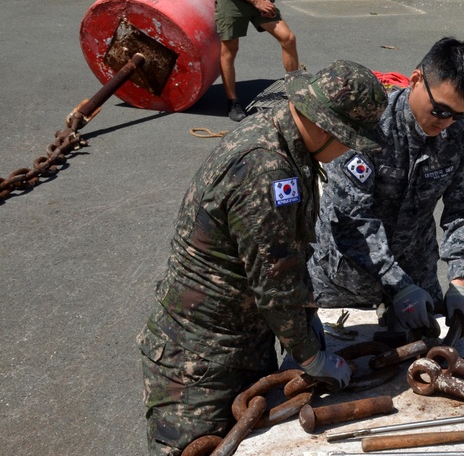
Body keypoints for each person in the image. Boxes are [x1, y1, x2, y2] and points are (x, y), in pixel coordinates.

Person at [137, 61, 388, 456]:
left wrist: (304, 326)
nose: (351, 151)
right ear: (326, 126)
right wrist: (310, 354)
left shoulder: (284, 141)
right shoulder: (265, 167)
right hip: (201, 362)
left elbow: (286, 256)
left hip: (241, 342)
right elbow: (276, 281)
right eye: (351, 140)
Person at [308, 38, 464, 340]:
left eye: (459, 114)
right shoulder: (366, 128)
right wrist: (397, 284)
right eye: (440, 110)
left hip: (416, 274)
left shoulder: (463, 138)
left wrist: (460, 279)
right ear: (416, 80)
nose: (446, 123)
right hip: (345, 280)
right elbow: (350, 218)